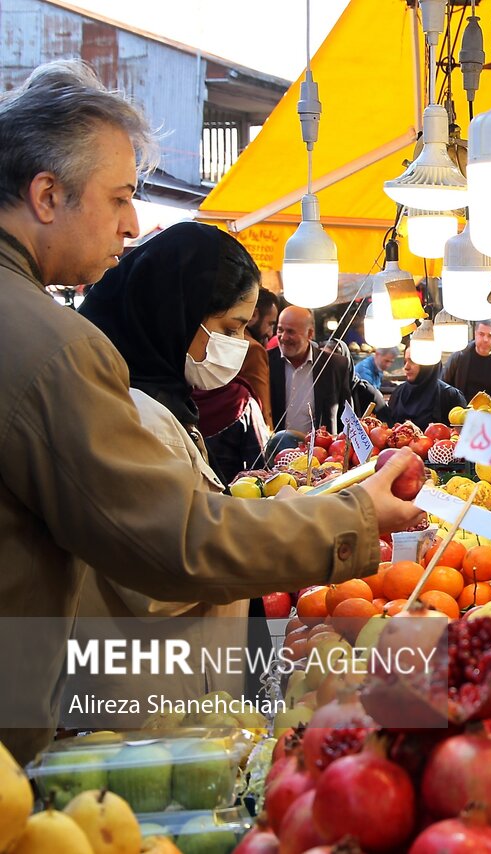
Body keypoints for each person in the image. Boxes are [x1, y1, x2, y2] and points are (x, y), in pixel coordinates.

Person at [0, 59, 423, 763]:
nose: (132, 223)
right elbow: (172, 537)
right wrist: (353, 518)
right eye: (120, 198)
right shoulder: (51, 350)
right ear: (47, 194)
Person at [77, 221, 262, 703]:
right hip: (150, 697)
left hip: (175, 679)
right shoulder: (137, 416)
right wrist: (278, 531)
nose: (236, 346)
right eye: (229, 328)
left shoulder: (165, 402)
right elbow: (162, 574)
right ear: (176, 311)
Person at [270, 305, 357, 434]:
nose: (283, 337)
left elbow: (346, 418)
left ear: (309, 334)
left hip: (319, 452)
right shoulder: (266, 362)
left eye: (291, 331)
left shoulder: (335, 365)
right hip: (273, 451)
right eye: (280, 330)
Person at [384, 352, 466, 430]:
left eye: (412, 361)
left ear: (429, 363)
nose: (406, 367)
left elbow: (463, 436)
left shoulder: (450, 396)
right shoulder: (398, 393)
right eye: (405, 361)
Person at [442, 319, 491, 403]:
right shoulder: (458, 357)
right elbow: (444, 388)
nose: (485, 339)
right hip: (462, 413)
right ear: (475, 334)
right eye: (481, 334)